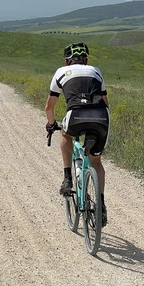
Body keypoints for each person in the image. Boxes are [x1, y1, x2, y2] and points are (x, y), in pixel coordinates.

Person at [44, 42, 110, 227]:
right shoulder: (96, 71)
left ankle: (67, 177)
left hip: (75, 115)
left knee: (66, 136)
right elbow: (106, 102)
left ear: (67, 61)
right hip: (101, 117)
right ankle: (101, 206)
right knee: (96, 161)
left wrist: (51, 125)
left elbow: (49, 107)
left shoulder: (60, 72)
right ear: (86, 60)